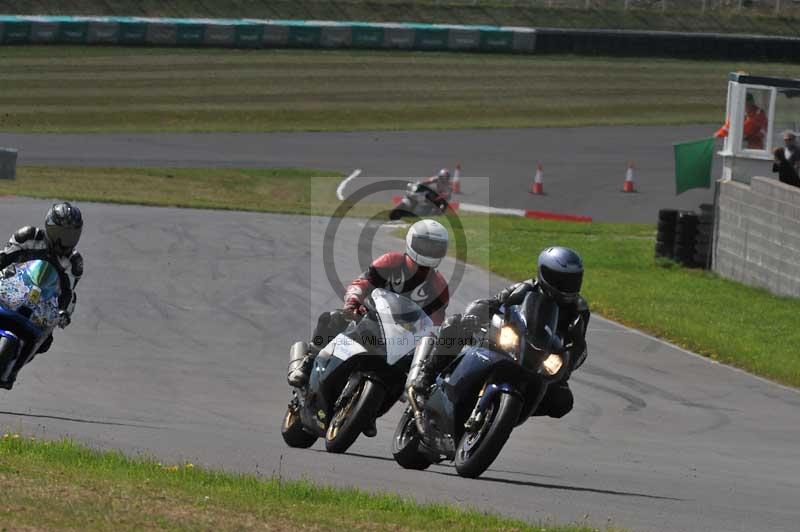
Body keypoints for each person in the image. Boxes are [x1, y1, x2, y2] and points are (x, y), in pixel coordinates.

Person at [288, 219, 451, 435]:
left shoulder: (439, 286)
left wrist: (432, 340)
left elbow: (436, 323)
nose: (429, 250)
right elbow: (362, 282)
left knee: (409, 373)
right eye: (425, 244)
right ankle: (307, 363)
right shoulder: (392, 261)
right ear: (411, 242)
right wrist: (353, 302)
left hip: (404, 339)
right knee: (332, 318)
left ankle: (370, 411)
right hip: (370, 320)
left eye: (435, 246)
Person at [409, 246, 589, 419]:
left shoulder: (579, 310)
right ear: (544, 273)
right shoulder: (526, 288)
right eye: (559, 279)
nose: (566, 286)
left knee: (562, 401)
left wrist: (565, 371)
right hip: (508, 340)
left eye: (572, 280)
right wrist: (474, 316)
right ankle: (427, 375)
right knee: (455, 324)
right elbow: (492, 302)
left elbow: (579, 346)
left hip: (539, 360)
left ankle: (510, 412)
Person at [0, 202, 84, 389]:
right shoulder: (28, 236)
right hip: (10, 290)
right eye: (61, 234)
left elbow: (68, 293)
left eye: (71, 236)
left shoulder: (73, 261)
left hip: (41, 305)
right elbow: (4, 258)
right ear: (49, 227)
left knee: (46, 340)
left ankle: (13, 369)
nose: (65, 241)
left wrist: (64, 313)